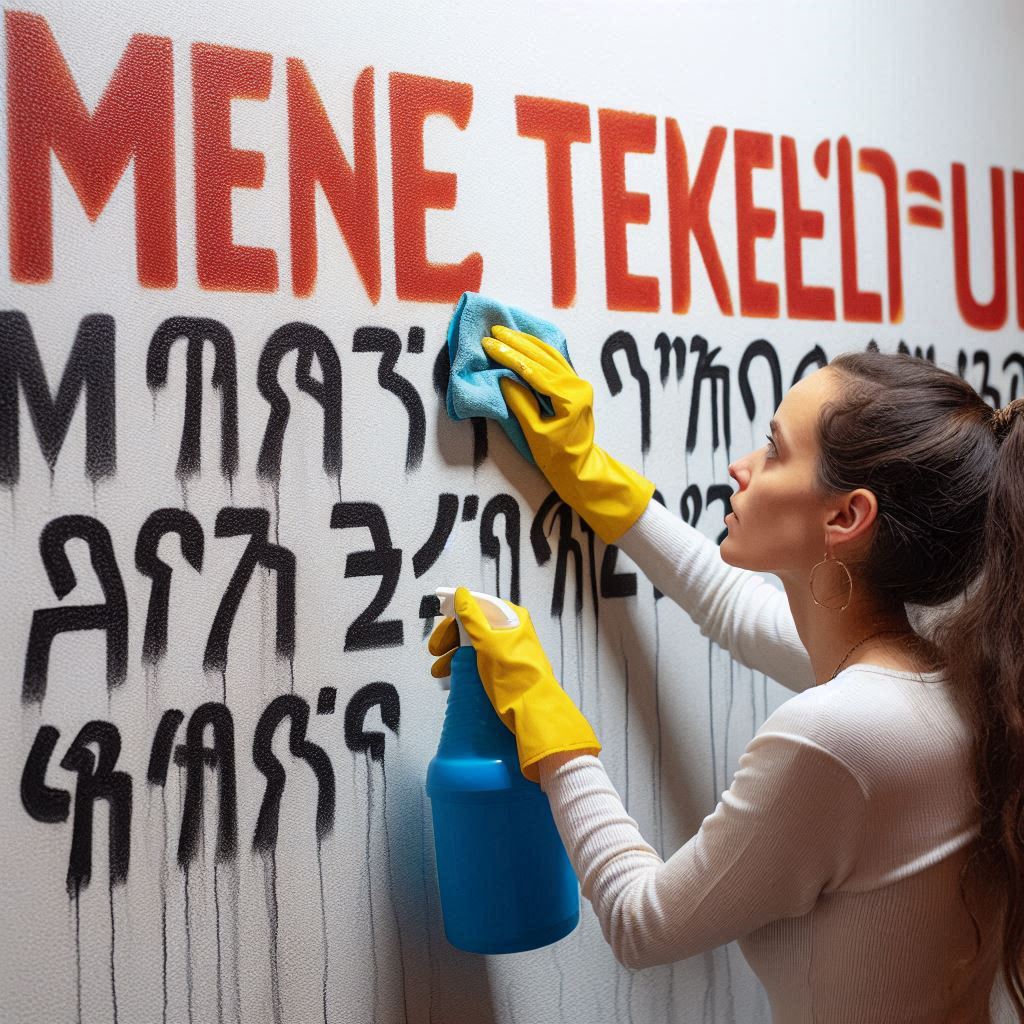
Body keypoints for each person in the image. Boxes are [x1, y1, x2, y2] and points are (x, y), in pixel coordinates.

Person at [427, 325, 1024, 1022]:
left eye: (773, 450)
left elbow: (641, 921)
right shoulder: (948, 679)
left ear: (845, 515)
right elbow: (731, 607)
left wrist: (543, 711)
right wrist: (590, 471)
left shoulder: (839, 735)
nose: (742, 466)